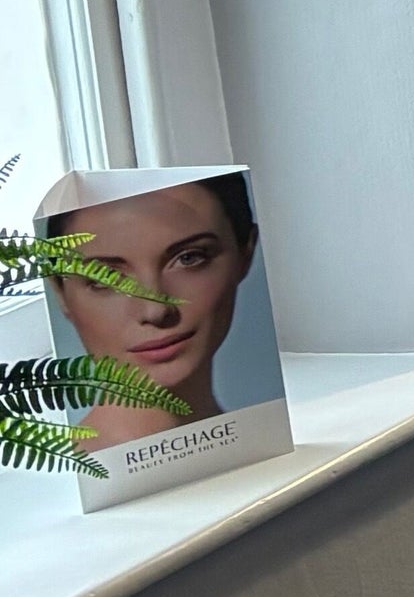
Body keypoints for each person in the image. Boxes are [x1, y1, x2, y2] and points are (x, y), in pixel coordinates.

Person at [49, 174, 260, 450]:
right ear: (60, 294)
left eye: (189, 258)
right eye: (104, 277)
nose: (155, 310)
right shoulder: (52, 484)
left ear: (245, 254)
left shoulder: (260, 444)